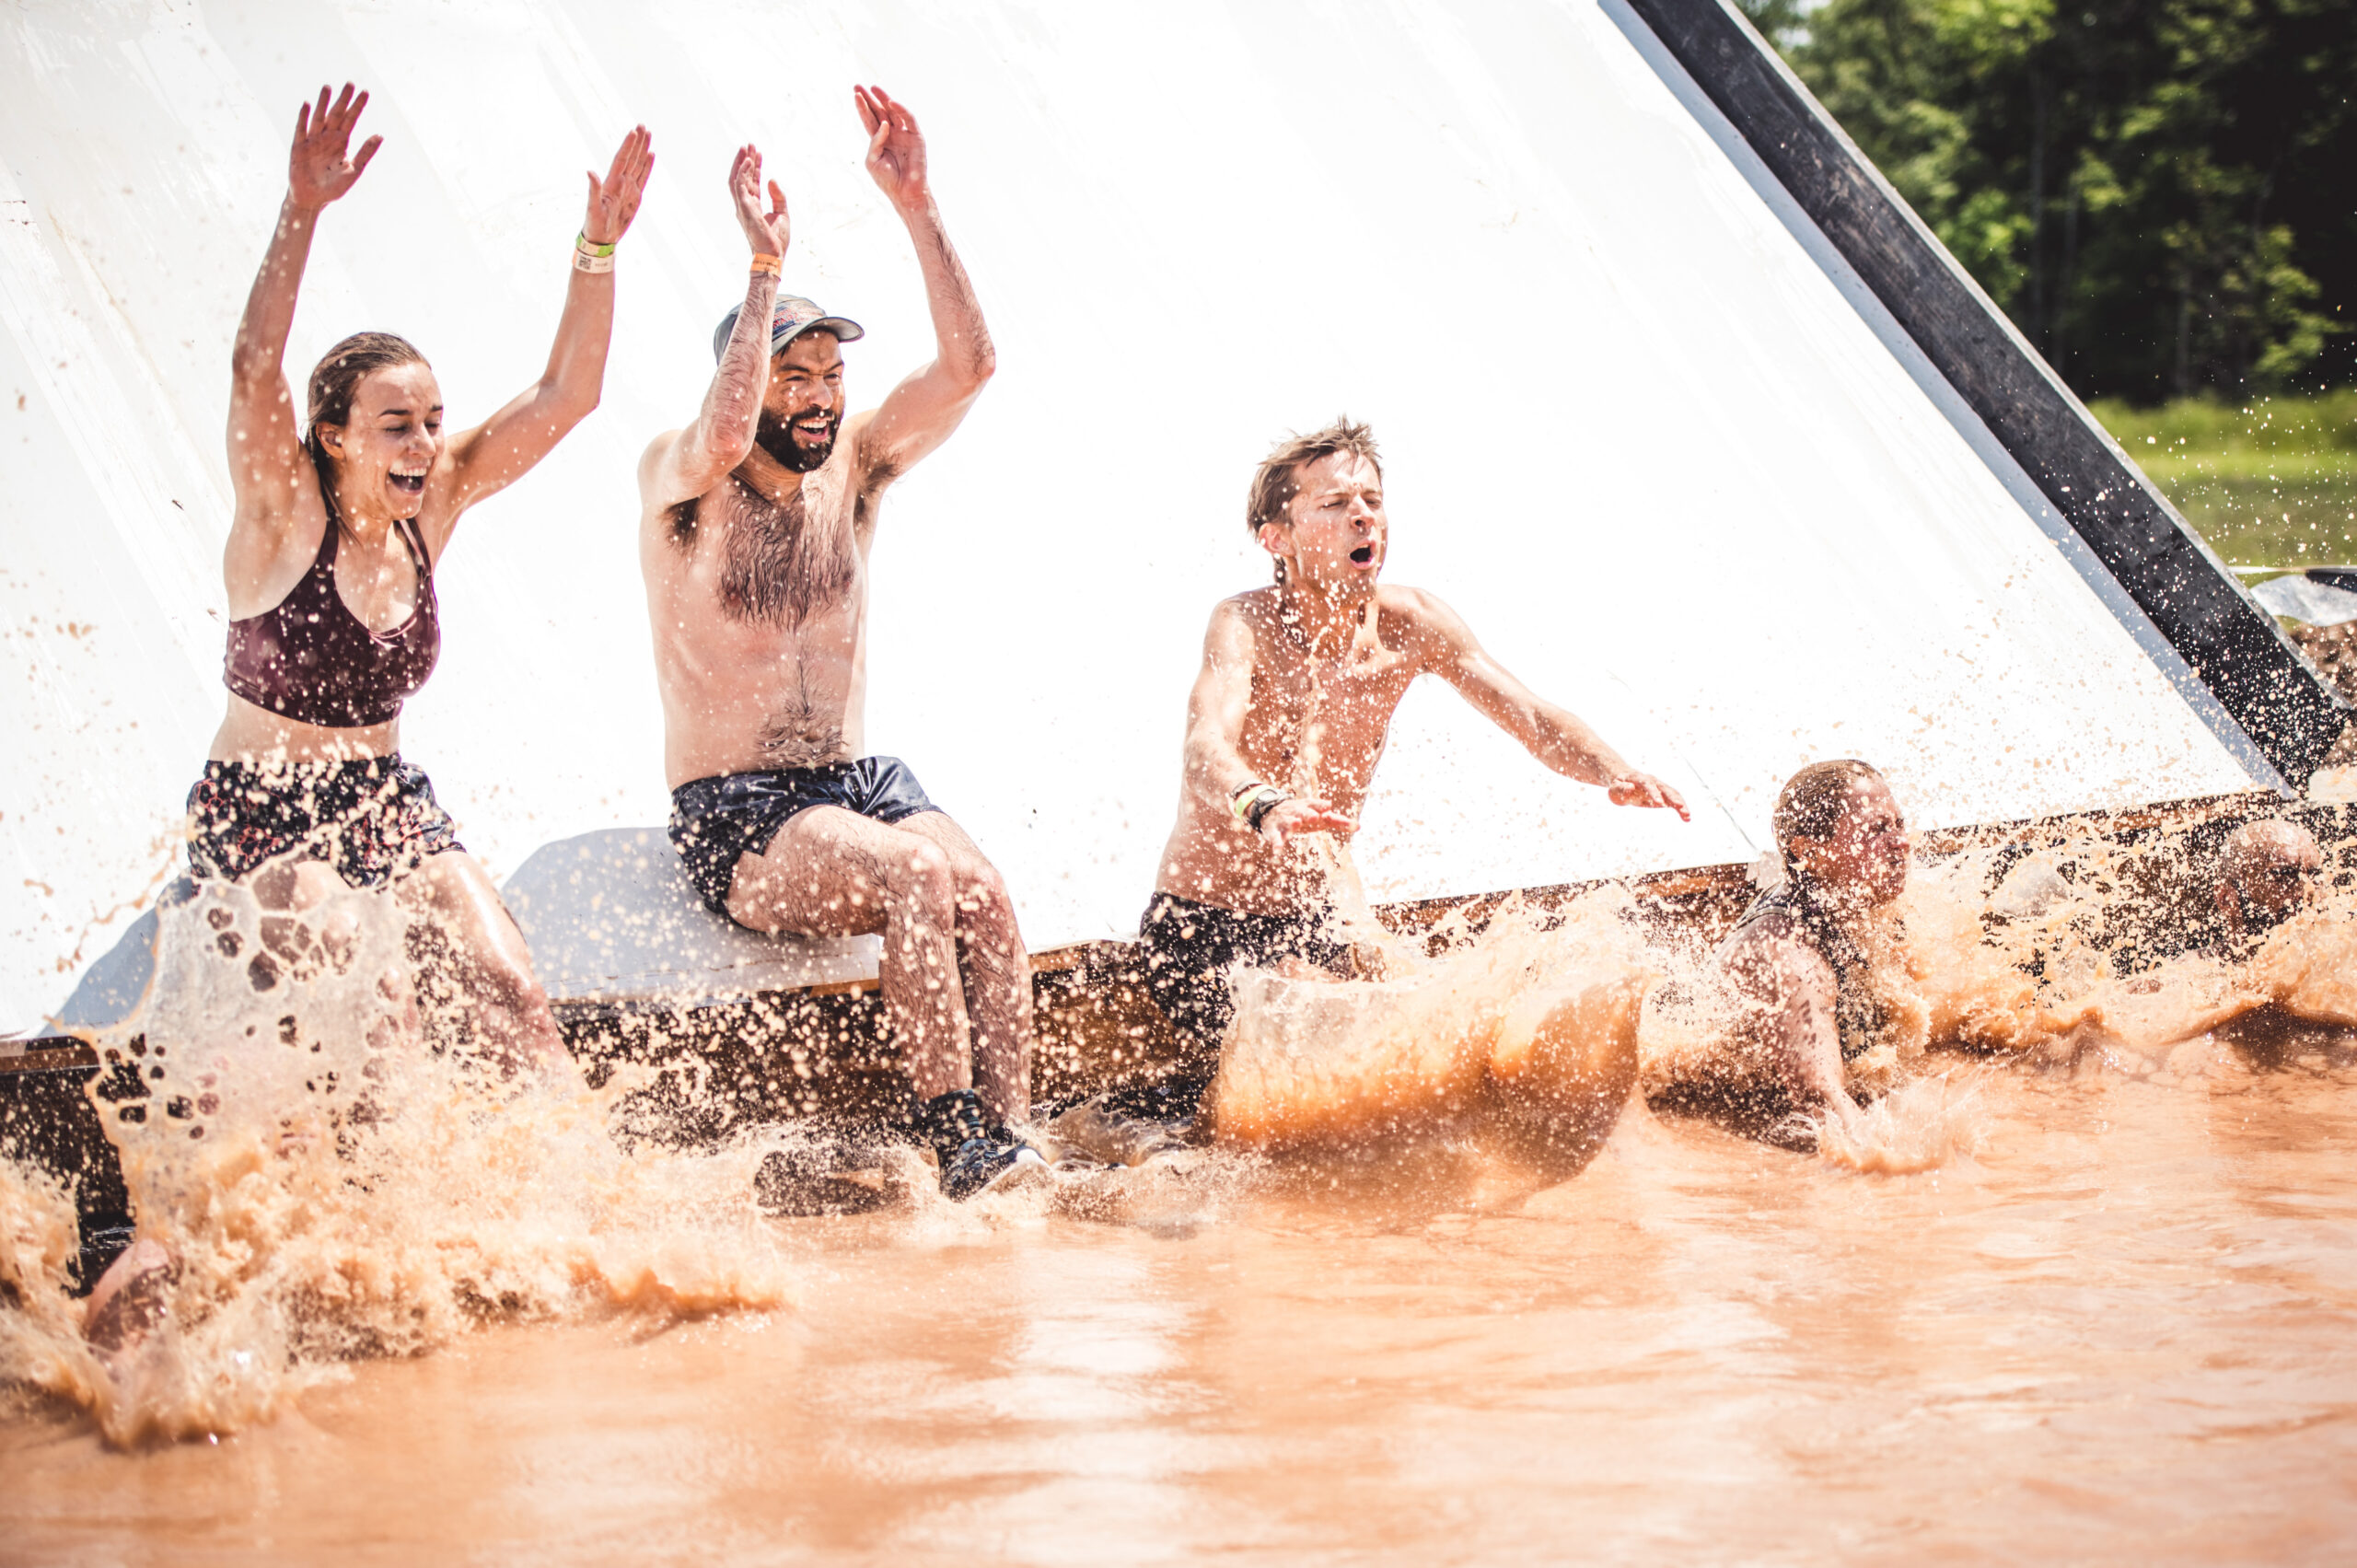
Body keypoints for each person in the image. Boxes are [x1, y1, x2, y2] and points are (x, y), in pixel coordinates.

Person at [94, 85, 653, 1347]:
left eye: (432, 424)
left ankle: (608, 1243)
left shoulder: (433, 506)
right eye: (397, 424)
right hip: (262, 813)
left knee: (513, 995)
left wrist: (600, 246)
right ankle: (334, 1279)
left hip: (386, 800)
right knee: (374, 1020)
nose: (424, 443)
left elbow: (567, 394)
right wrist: (298, 211)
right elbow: (251, 365)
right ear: (335, 435)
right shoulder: (279, 516)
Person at [638, 89, 1033, 1201]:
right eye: (791, 378)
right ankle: (954, 1138)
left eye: (828, 377)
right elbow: (719, 433)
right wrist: (764, 269)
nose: (816, 401)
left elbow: (970, 368)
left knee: (983, 889)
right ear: (747, 381)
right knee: (915, 870)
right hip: (740, 807)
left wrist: (917, 203)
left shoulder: (854, 466)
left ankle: (1012, 1139)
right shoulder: (683, 487)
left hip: (853, 780)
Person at [1135, 418, 1690, 1110]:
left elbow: (1533, 716)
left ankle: (1190, 1106)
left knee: (1449, 1039)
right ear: (1275, 538)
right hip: (1203, 923)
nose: (1362, 515)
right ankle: (1166, 1124)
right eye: (1334, 504)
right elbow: (1204, 747)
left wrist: (1613, 770)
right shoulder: (1243, 625)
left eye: (1371, 499)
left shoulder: (1415, 623)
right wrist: (1263, 801)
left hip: (1322, 921)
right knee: (1343, 1055)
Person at [1666, 759, 1911, 1139]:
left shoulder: (1860, 902)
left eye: (1898, 824)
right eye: (1877, 829)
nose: (1901, 842)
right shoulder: (1790, 954)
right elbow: (1822, 1098)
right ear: (1808, 852)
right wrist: (1889, 1170)